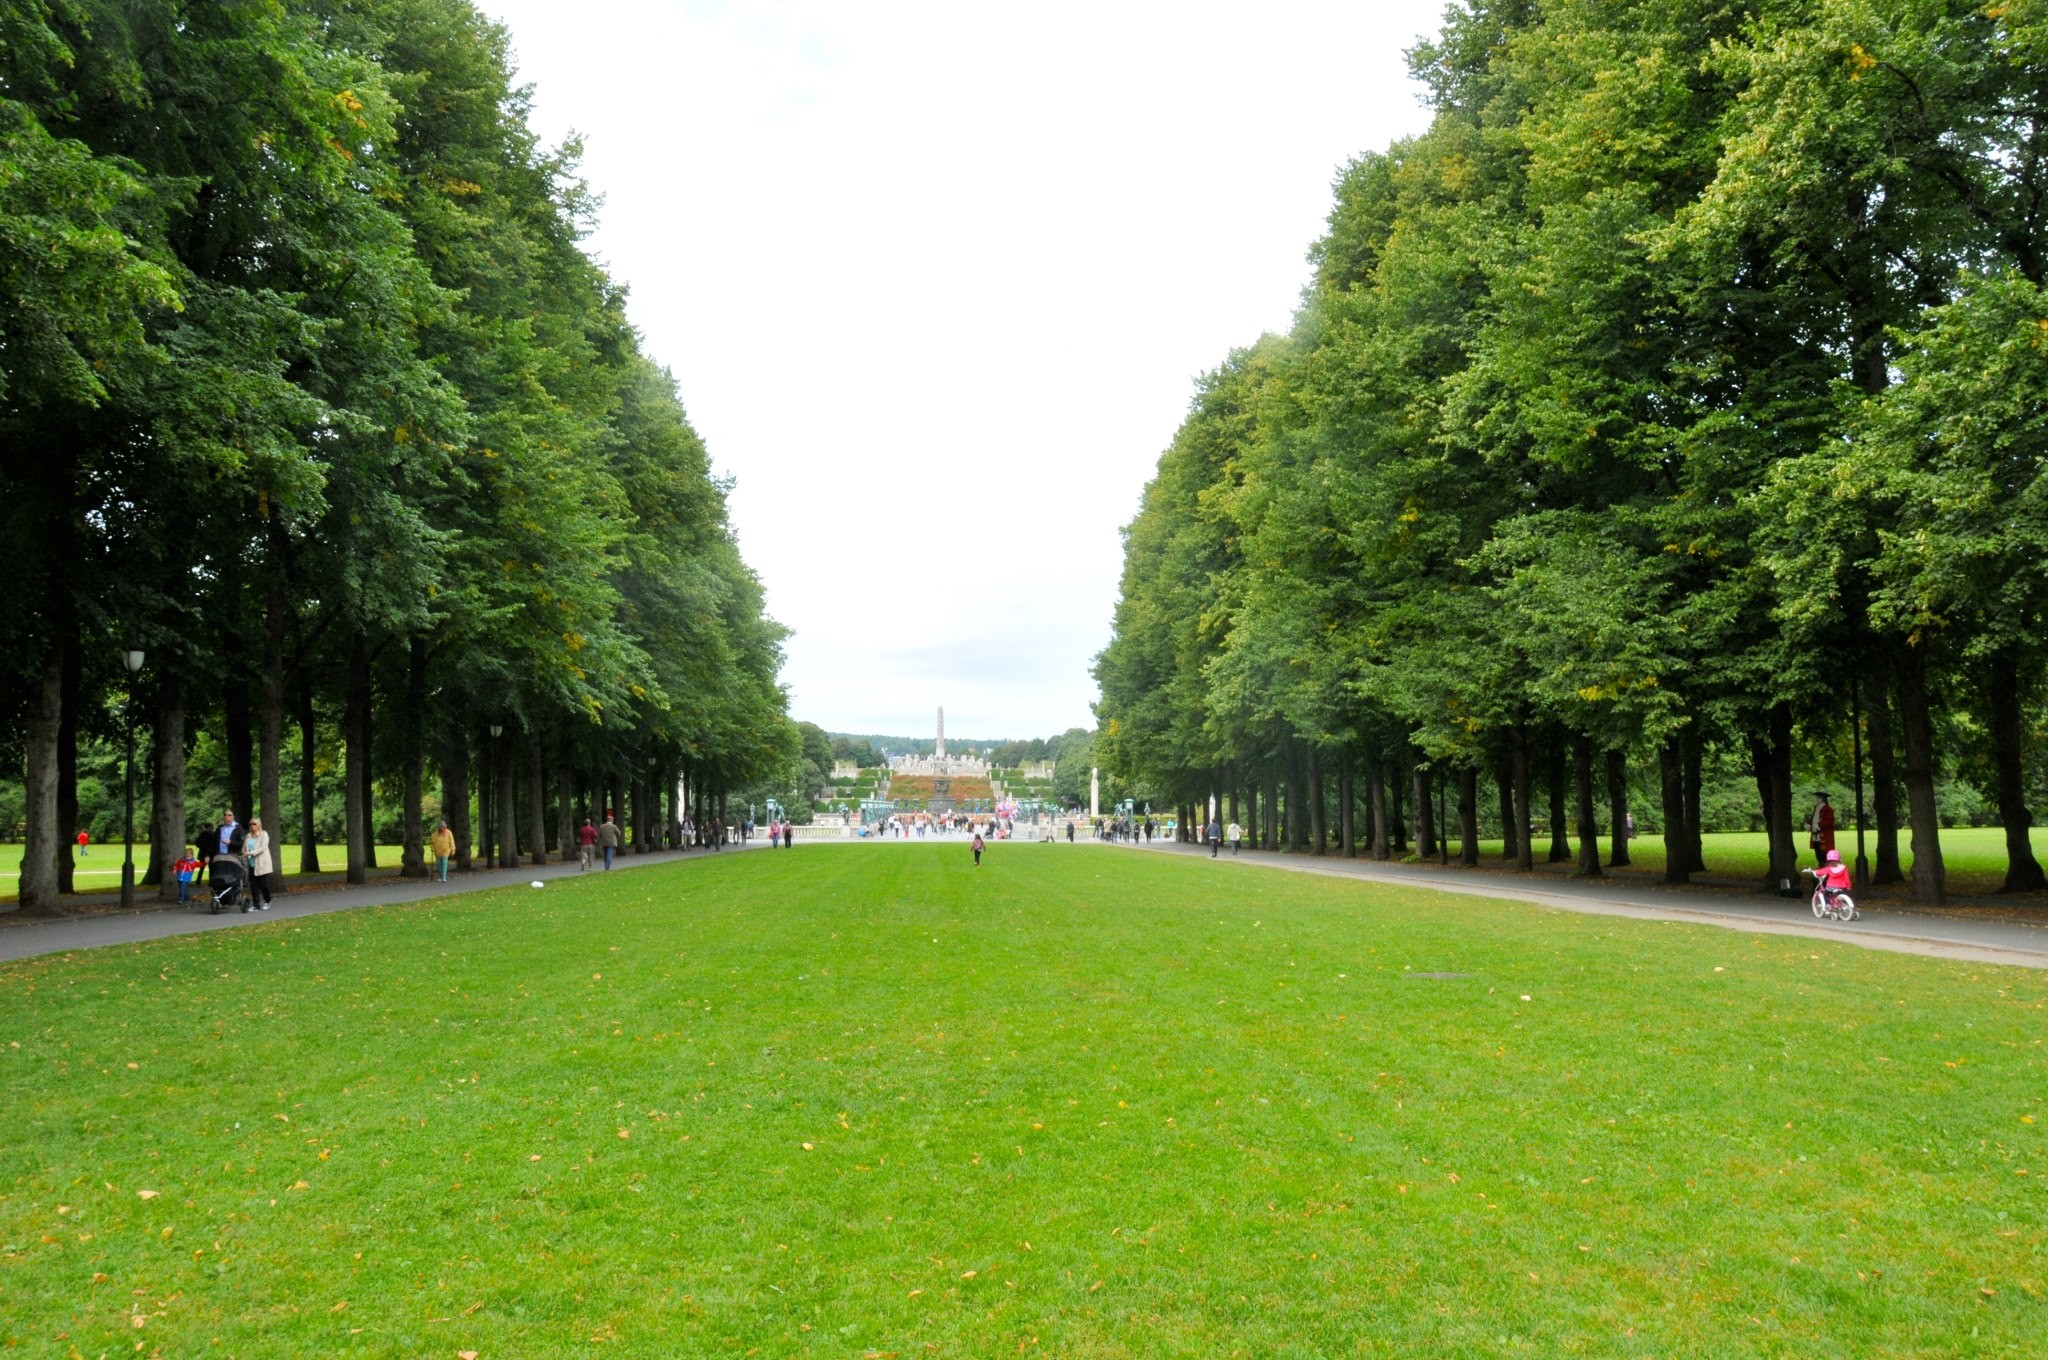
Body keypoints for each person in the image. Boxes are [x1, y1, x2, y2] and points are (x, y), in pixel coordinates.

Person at [243, 818, 275, 910]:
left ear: (259, 825)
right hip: (252, 864)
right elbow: (244, 848)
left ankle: (267, 900)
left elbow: (262, 848)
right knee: (253, 886)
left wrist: (251, 853)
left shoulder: (264, 834)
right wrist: (244, 853)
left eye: (254, 824)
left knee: (263, 884)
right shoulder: (248, 836)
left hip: (262, 864)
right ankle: (256, 905)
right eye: (250, 824)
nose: (252, 826)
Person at [1807, 792, 1836, 865]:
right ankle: (1821, 871)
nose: (1817, 799)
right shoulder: (1816, 808)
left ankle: (1826, 872)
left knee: (1824, 854)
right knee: (1818, 854)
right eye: (1817, 797)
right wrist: (1809, 825)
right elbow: (1813, 820)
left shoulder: (1828, 809)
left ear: (1823, 799)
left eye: (1818, 798)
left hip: (1824, 836)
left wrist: (1818, 826)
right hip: (1815, 835)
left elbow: (1830, 822)